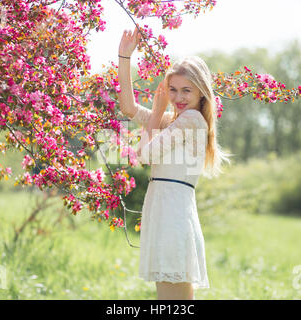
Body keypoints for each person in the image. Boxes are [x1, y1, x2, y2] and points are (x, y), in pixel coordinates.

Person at [118, 28, 231, 300]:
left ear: (201, 93)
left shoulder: (190, 121)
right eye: (173, 90)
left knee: (174, 300)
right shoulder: (176, 121)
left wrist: (157, 112)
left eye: (186, 91)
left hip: (173, 213)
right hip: (163, 207)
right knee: (169, 298)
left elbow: (145, 155)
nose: (178, 98)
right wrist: (124, 57)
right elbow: (129, 109)